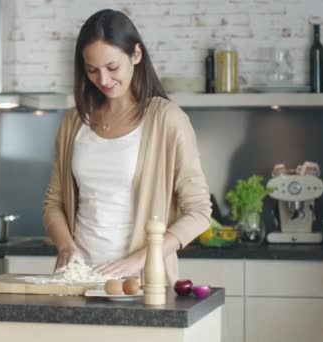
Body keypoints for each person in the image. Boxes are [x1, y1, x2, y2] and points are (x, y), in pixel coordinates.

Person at [42, 9, 211, 286]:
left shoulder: (167, 120)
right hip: (77, 279)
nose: (104, 80)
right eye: (92, 70)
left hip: (141, 281)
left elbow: (199, 211)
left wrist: (139, 260)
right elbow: (54, 202)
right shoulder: (75, 121)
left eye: (112, 67)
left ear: (136, 55)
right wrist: (65, 246)